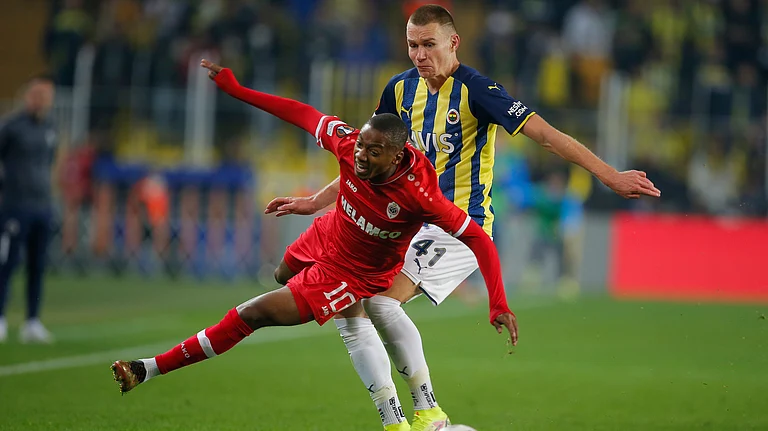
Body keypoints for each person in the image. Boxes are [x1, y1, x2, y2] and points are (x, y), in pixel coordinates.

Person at [267, 4, 661, 430]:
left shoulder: (478, 90)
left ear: (453, 43)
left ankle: (429, 415)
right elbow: (366, 161)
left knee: (377, 301)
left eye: (428, 45)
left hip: (460, 227)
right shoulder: (399, 90)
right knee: (352, 308)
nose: (419, 55)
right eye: (413, 45)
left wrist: (609, 176)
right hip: (409, 223)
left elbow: (546, 136)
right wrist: (318, 201)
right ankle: (396, 421)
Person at [111, 60, 518, 431]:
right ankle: (418, 418)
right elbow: (300, 113)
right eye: (360, 145)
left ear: (396, 156)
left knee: (255, 313)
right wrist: (237, 90)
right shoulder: (351, 144)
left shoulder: (420, 194)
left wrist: (497, 302)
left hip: (353, 272)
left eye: (372, 152)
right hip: (330, 232)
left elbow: (478, 238)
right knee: (281, 273)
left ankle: (149, 368)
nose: (360, 156)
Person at [0, 75, 60, 344]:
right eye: (38, 94)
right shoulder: (11, 127)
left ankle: (32, 321)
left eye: (47, 96)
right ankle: (0, 318)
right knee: (7, 263)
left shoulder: (51, 128)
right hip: (15, 206)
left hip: (42, 206)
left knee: (37, 265)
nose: (42, 101)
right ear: (28, 96)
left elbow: (50, 163)